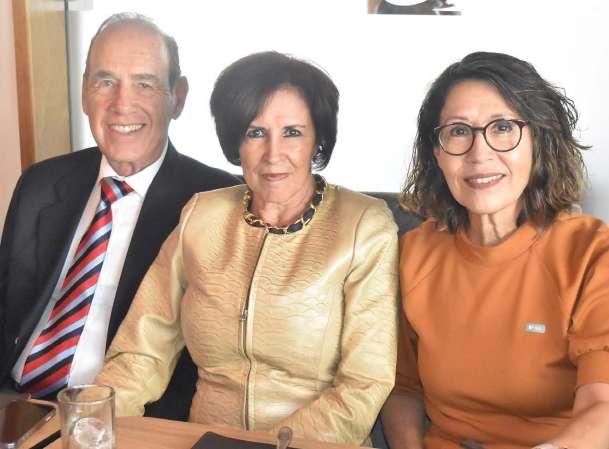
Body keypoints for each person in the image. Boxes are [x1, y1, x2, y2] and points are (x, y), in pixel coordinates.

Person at [97, 51, 399, 445]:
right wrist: (90, 423)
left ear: (317, 140)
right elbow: (142, 352)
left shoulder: (364, 226)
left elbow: (364, 384)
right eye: (255, 133)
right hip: (206, 442)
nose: (274, 154)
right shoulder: (201, 216)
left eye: (292, 132)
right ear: (235, 140)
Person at [0, 13, 238, 417]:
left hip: (129, 419)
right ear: (84, 93)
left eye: (144, 83)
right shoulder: (42, 183)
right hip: (15, 406)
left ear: (178, 98)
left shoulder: (217, 202)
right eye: (105, 81)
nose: (121, 104)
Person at [381, 51, 609, 449]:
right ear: (437, 153)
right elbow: (402, 389)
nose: (479, 153)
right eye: (458, 131)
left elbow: (602, 405)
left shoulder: (590, 254)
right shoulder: (413, 253)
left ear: (539, 141)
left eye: (503, 127)